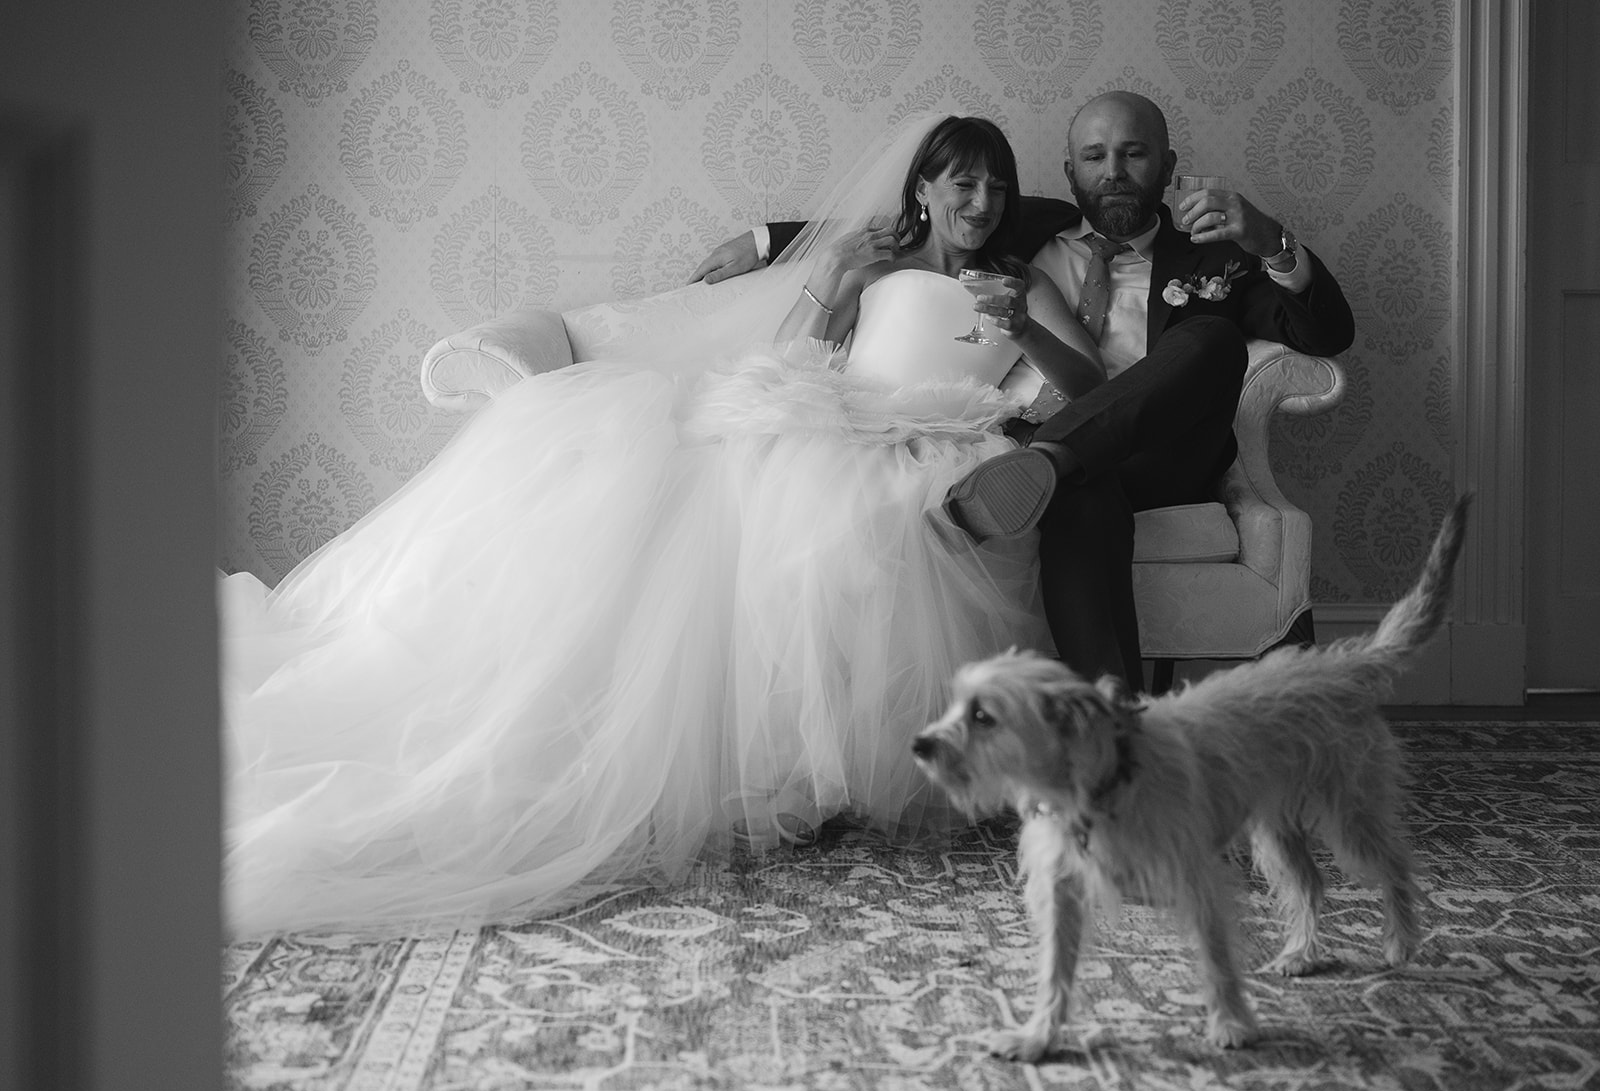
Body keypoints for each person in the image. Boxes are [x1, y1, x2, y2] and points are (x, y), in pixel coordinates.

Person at [220, 115, 1104, 938]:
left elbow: (1094, 389)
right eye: (963, 185)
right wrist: (828, 280)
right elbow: (805, 347)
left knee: (882, 514)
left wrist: (1025, 328)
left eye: (997, 188)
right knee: (762, 500)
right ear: (923, 191)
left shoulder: (1022, 284)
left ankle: (825, 769)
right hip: (838, 417)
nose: (982, 204)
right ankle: (760, 767)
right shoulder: (872, 258)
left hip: (940, 442)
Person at [691, 91, 1356, 687]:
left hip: (1156, 452)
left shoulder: (1220, 256)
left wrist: (1267, 235)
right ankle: (1112, 735)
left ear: (1168, 163)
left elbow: (1326, 331)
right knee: (1076, 495)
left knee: (1213, 339)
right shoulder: (1026, 228)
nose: (1114, 171)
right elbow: (916, 219)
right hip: (1055, 463)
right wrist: (767, 238)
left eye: (1134, 154)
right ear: (1071, 173)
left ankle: (1050, 461)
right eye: (1094, 156)